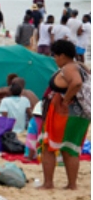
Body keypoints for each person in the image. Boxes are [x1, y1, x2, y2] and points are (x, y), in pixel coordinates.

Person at [36, 40, 90, 190]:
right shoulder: (82, 67)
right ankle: (72, 184)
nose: (55, 59)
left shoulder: (69, 68)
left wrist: (65, 101)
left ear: (63, 56)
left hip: (64, 113)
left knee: (48, 146)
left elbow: (77, 83)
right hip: (80, 113)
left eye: (56, 56)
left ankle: (48, 183)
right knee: (70, 148)